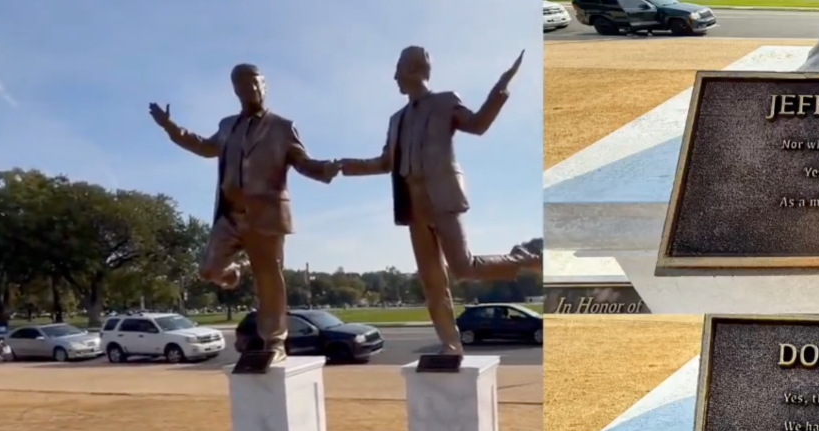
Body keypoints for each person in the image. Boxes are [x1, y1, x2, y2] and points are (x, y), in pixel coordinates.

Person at [335, 46, 542, 356]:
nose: (394, 77)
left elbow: (478, 125)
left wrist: (501, 87)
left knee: (464, 267)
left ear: (415, 70)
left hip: (442, 196)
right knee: (432, 282)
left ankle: (522, 259)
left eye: (399, 70)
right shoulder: (396, 120)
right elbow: (384, 163)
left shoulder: (445, 102)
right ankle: (450, 345)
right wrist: (345, 165)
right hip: (413, 206)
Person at [149, 64, 339, 364]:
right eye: (245, 86)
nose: (253, 90)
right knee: (209, 269)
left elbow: (302, 162)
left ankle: (275, 342)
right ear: (236, 91)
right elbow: (203, 146)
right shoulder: (227, 126)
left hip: (266, 217)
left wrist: (326, 169)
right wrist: (170, 127)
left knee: (269, 281)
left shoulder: (281, 126)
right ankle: (233, 272)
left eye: (257, 84)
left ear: (265, 86)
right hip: (231, 215)